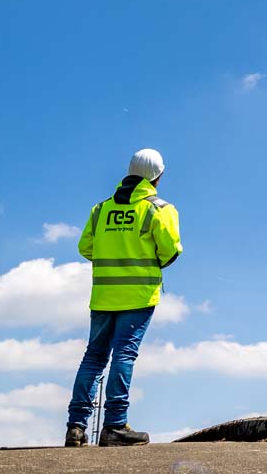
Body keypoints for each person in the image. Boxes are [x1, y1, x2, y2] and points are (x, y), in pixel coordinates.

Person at [64, 148, 182, 447]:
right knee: (124, 355)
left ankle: (76, 427)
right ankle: (115, 425)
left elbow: (85, 247)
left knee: (93, 357)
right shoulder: (160, 209)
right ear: (158, 176)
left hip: (103, 295)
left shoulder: (100, 209)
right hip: (138, 294)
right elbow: (169, 250)